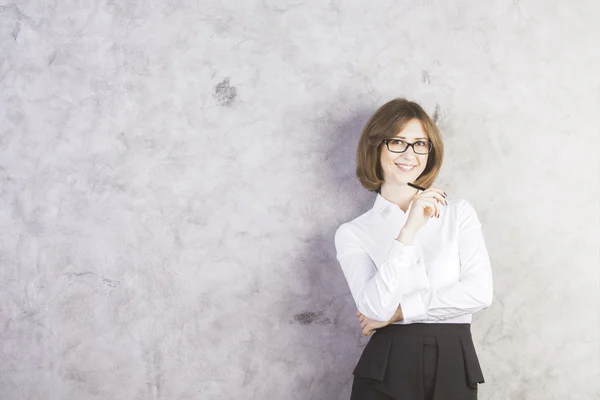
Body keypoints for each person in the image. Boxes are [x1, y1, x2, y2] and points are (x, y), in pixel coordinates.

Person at [334, 98, 493, 400]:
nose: (410, 154)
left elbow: (479, 292)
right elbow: (373, 310)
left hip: (454, 364)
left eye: (420, 144)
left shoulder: (458, 214)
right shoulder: (353, 233)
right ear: (376, 147)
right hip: (386, 369)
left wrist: (399, 312)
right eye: (397, 142)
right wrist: (408, 232)